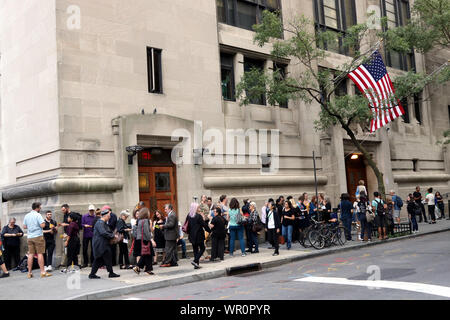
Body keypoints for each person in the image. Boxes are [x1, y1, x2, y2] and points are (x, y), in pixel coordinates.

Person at [89, 209, 120, 279]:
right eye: (108, 216)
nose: (109, 217)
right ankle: (92, 274)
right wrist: (113, 236)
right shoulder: (100, 223)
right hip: (100, 244)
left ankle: (110, 273)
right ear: (105, 216)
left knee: (107, 257)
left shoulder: (103, 223)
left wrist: (113, 234)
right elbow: (103, 232)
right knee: (99, 259)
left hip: (103, 244)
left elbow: (108, 231)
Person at [23, 202, 51, 278]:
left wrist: (31, 226)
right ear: (37, 208)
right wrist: (38, 225)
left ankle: (29, 273)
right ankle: (42, 272)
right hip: (38, 236)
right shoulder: (38, 215)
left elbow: (24, 226)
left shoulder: (27, 215)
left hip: (30, 236)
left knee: (31, 254)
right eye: (40, 207)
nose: (40, 208)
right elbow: (42, 225)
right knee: (40, 253)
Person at [186, 203, 211, 269]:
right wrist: (209, 231)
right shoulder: (198, 216)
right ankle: (195, 261)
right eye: (197, 207)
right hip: (199, 235)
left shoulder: (189, 215)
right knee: (202, 248)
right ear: (195, 208)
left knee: (195, 250)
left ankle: (196, 265)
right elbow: (204, 225)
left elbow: (187, 226)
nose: (199, 208)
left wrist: (189, 232)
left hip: (192, 235)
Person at [133, 208, 156, 275]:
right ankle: (140, 267)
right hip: (145, 239)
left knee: (146, 254)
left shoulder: (139, 221)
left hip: (140, 239)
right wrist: (150, 239)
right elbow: (146, 231)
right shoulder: (145, 220)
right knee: (147, 254)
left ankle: (147, 269)